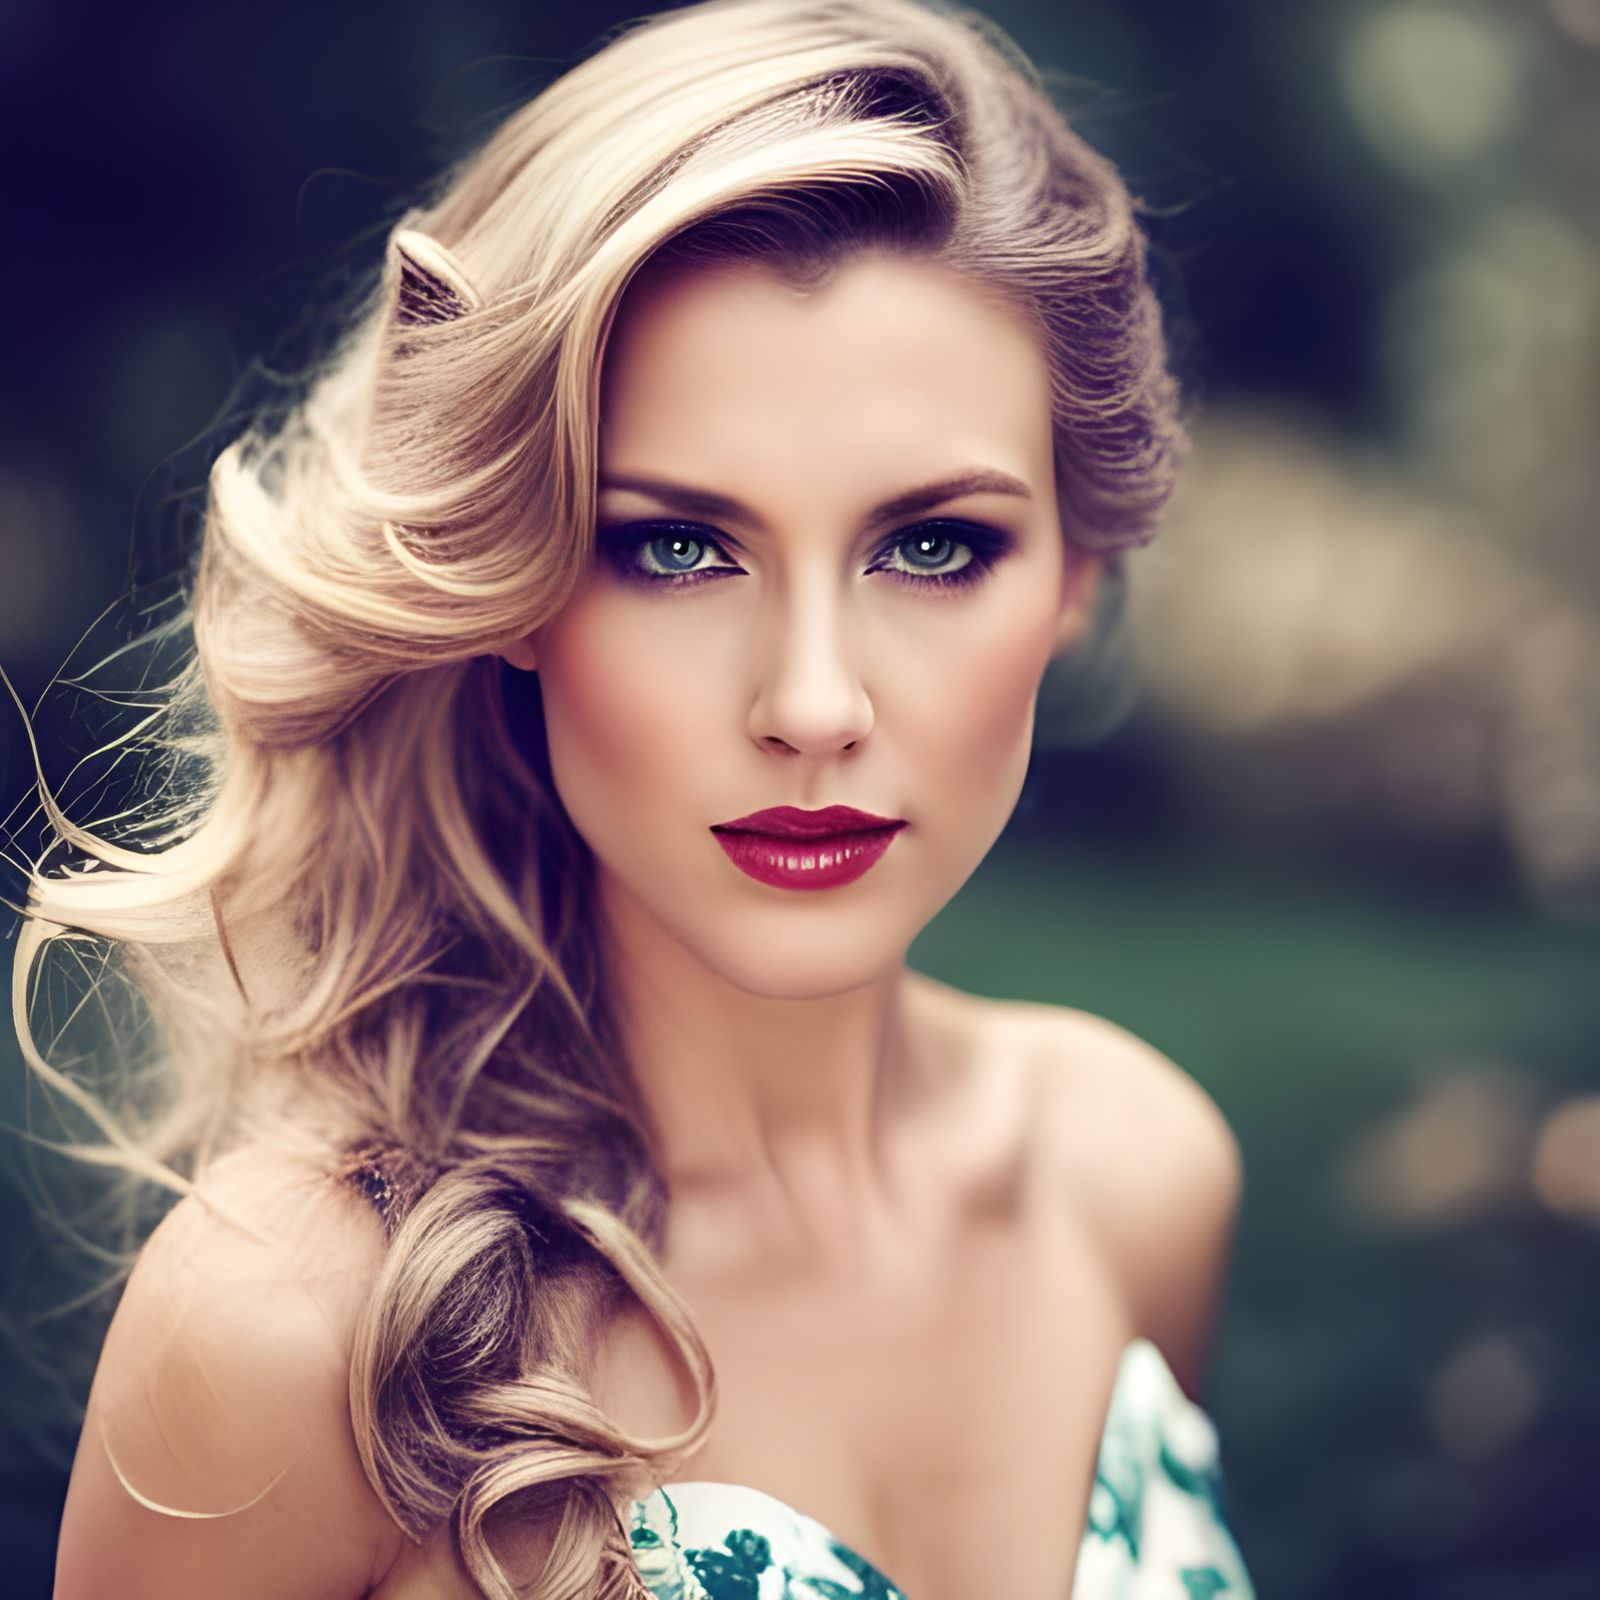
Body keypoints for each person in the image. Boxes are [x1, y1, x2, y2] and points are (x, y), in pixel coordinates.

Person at [28, 0, 1252, 1595]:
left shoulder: (1138, 1174)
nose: (813, 704)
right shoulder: (293, 1333)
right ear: (516, 583)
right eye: (675, 547)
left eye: (933, 545)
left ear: (1076, 575)